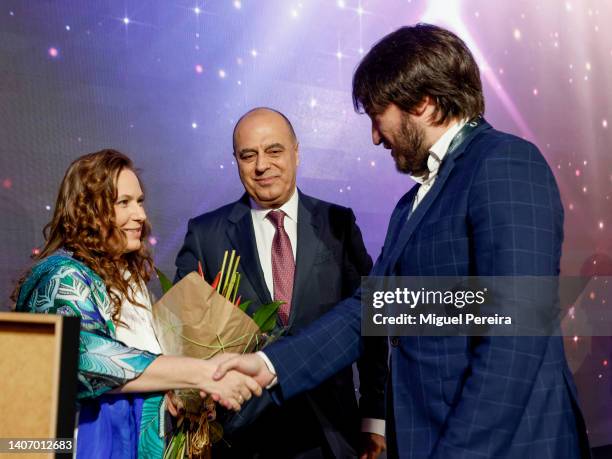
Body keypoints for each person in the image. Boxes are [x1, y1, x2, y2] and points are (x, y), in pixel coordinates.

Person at [212, 24, 591, 459]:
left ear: (423, 103)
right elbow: (370, 313)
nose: (376, 136)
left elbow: (515, 338)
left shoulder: (505, 164)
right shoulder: (410, 203)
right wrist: (266, 367)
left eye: (378, 115)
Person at [12, 149, 261, 458]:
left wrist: (179, 395)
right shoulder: (62, 277)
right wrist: (201, 373)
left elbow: (146, 367)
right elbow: (87, 359)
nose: (140, 215)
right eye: (123, 203)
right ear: (86, 210)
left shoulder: (130, 278)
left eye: (140, 201)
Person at [175, 108, 388, 458]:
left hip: (330, 432)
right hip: (242, 438)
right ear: (236, 161)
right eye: (249, 155)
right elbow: (183, 334)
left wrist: (373, 415)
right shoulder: (206, 235)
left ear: (296, 152)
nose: (262, 165)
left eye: (274, 151)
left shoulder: (338, 224)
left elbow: (371, 319)